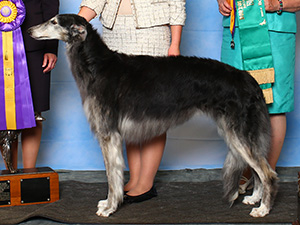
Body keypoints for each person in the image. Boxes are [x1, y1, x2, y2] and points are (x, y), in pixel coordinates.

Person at [78, 0, 186, 202]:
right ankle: (134, 179)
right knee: (126, 114)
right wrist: (74, 23)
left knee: (153, 112)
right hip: (114, 33)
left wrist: (175, 43)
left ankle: (146, 183)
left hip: (152, 33)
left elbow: (177, 3)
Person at [217, 0, 300, 193]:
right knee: (234, 107)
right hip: (236, 27)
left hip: (275, 28)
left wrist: (280, 4)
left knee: (274, 106)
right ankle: (246, 171)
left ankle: (264, 178)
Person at [9, 0, 60, 169]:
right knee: (6, 115)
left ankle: (29, 174)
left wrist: (51, 47)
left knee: (33, 113)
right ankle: (11, 174)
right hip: (2, 49)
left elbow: (51, 7)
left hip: (36, 44)